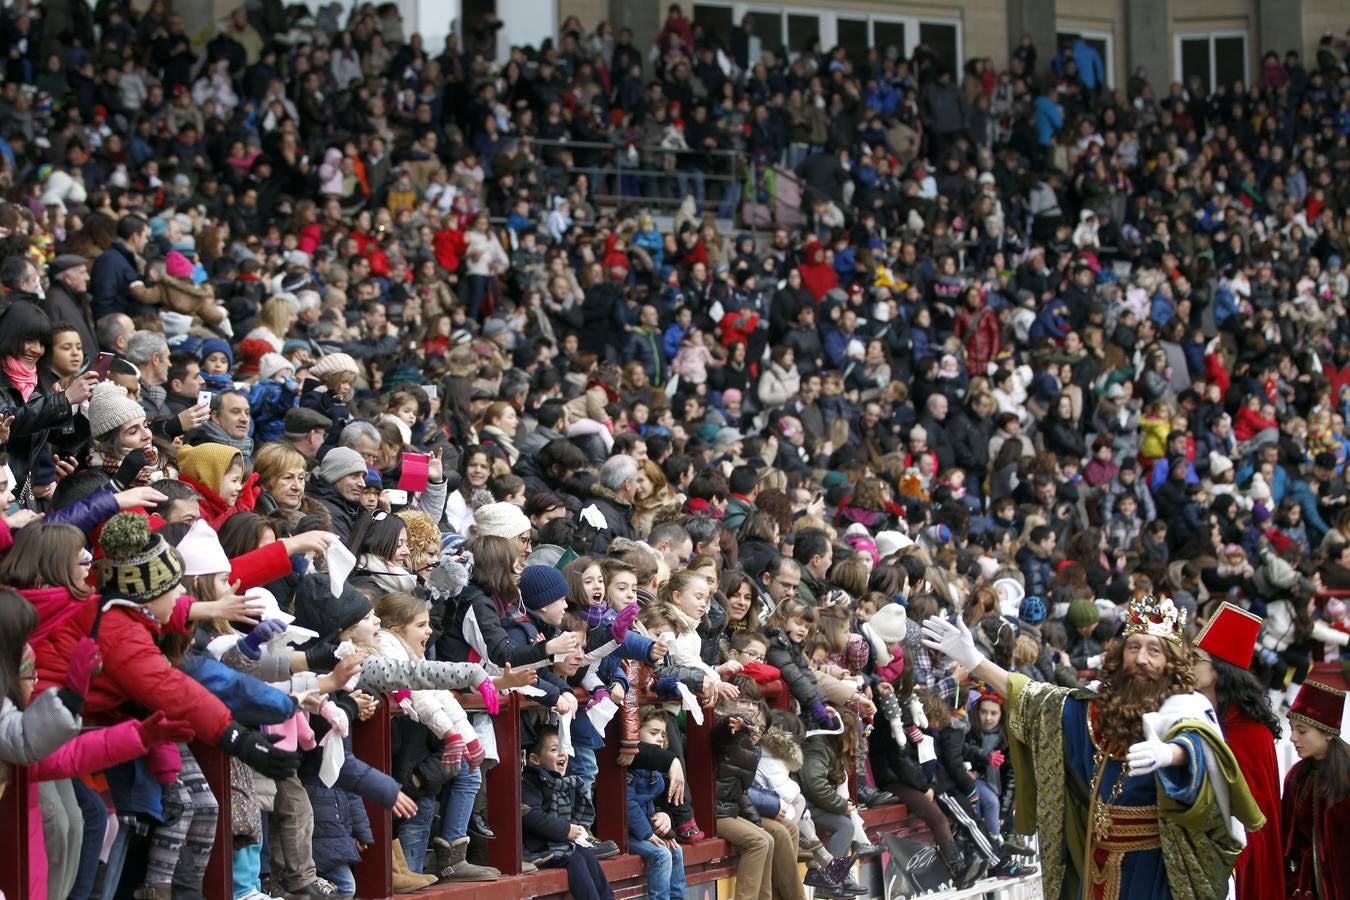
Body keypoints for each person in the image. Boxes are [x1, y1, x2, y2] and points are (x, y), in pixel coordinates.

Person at [921, 594, 1265, 899]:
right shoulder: (1096, 709)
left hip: (1157, 869)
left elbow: (1199, 747)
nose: (1142, 658)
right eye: (1134, 647)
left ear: (1171, 662)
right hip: (1096, 861)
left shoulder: (1186, 707)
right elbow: (1036, 699)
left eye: (1154, 650)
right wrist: (975, 660)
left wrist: (1170, 754)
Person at [1190, 602, 1284, 900]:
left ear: (1219, 670)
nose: (1187, 666)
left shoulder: (1251, 734)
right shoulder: (1207, 715)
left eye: (1195, 659)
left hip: (1239, 862)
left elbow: (1250, 816)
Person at [1280, 679, 1350, 899]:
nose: (1292, 738)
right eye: (1292, 730)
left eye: (1302, 731)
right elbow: (1288, 842)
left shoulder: (1346, 778)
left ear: (1328, 733)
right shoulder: (1296, 777)